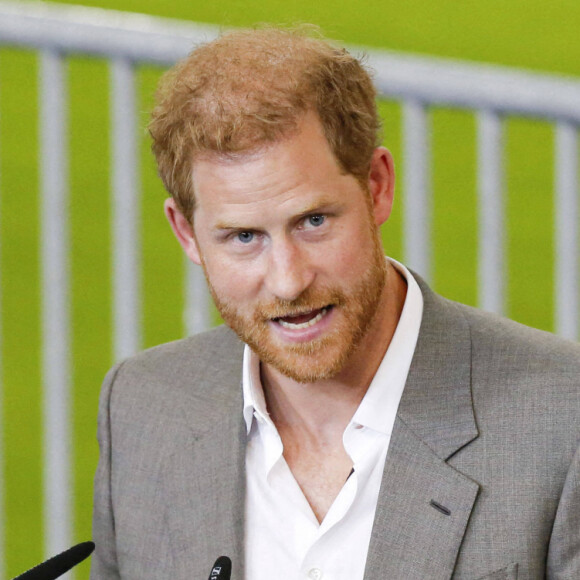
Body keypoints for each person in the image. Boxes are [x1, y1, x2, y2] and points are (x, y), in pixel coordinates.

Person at [91, 27, 580, 580]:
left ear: (376, 186)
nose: (288, 281)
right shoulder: (141, 407)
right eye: (243, 237)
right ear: (186, 233)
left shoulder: (564, 420)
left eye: (314, 221)